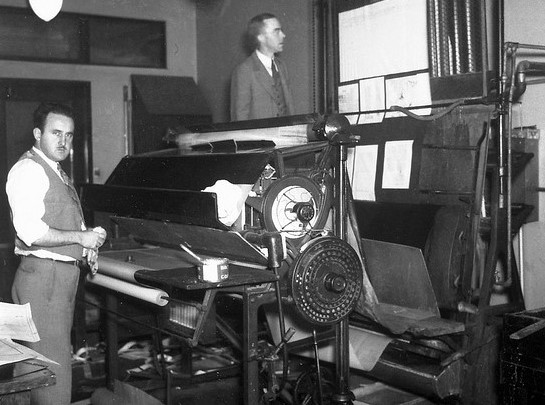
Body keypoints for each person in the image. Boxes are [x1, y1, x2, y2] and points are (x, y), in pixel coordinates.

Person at [5, 102, 107, 405]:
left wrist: (85, 247)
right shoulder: (29, 169)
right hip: (44, 280)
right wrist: (81, 236)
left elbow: (60, 219)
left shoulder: (54, 170)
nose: (64, 142)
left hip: (53, 278)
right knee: (54, 372)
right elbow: (30, 231)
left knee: (32, 365)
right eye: (56, 133)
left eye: (70, 135)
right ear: (38, 133)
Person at [230, 13, 295, 121]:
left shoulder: (282, 66)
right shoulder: (244, 70)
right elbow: (239, 117)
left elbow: (289, 106)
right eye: (276, 31)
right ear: (261, 37)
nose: (283, 35)